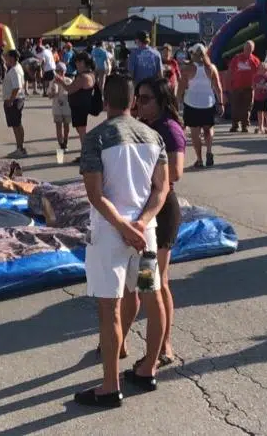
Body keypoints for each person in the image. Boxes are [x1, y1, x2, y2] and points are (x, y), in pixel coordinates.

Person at [76, 74, 171, 409]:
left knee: (110, 308)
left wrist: (120, 225)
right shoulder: (154, 137)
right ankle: (148, 368)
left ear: (105, 101)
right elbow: (162, 188)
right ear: (133, 102)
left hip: (109, 236)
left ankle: (109, 385)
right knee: (151, 296)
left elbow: (95, 194)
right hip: (144, 234)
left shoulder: (96, 139)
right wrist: (141, 223)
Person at [118, 77, 186, 367]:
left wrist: (146, 177)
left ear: (161, 101)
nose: (139, 104)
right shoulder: (140, 127)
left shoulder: (169, 130)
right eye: (138, 99)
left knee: (154, 282)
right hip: (138, 211)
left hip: (159, 213)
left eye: (146, 99)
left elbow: (176, 174)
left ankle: (164, 344)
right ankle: (118, 339)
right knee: (130, 284)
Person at [180, 44, 223, 168]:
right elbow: (218, 87)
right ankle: (209, 151)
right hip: (208, 102)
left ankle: (199, 159)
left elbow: (181, 88)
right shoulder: (211, 68)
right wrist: (221, 103)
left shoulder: (187, 69)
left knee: (195, 133)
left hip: (191, 103)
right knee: (208, 129)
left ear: (193, 55)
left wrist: (176, 102)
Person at [66, 53, 99, 157]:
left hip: (80, 107)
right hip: (80, 106)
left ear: (85, 63)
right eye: (76, 61)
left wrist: (60, 81)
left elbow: (70, 88)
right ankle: (85, 153)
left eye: (79, 62)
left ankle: (86, 154)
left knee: (82, 132)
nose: (77, 64)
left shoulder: (83, 76)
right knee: (81, 131)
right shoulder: (89, 74)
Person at [226, 41, 260, 133]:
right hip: (236, 87)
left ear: (252, 49)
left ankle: (245, 126)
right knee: (235, 107)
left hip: (249, 88)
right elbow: (230, 70)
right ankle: (235, 125)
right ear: (243, 48)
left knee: (247, 107)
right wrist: (229, 84)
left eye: (249, 48)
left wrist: (256, 86)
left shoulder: (255, 60)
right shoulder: (237, 58)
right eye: (246, 48)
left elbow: (259, 74)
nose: (247, 50)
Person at [2, 50, 27, 157]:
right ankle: (20, 147)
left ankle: (20, 148)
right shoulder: (16, 68)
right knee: (17, 124)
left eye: (7, 57)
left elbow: (16, 87)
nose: (5, 59)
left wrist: (11, 100)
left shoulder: (14, 70)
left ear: (12, 58)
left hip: (15, 100)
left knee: (16, 125)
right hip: (17, 99)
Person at [48, 61, 73, 151]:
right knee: (58, 126)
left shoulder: (69, 81)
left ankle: (65, 141)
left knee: (66, 126)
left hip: (67, 108)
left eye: (62, 71)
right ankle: (61, 144)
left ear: (65, 71)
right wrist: (53, 93)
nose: (60, 72)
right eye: (58, 71)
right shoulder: (53, 82)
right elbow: (49, 95)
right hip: (57, 108)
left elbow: (72, 92)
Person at [252, 53, 267, 134]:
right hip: (258, 97)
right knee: (259, 113)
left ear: (266, 69)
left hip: (266, 98)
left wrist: (259, 86)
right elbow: (253, 86)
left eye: (264, 68)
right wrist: (259, 86)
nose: (261, 70)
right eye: (260, 68)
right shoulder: (256, 77)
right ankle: (261, 127)